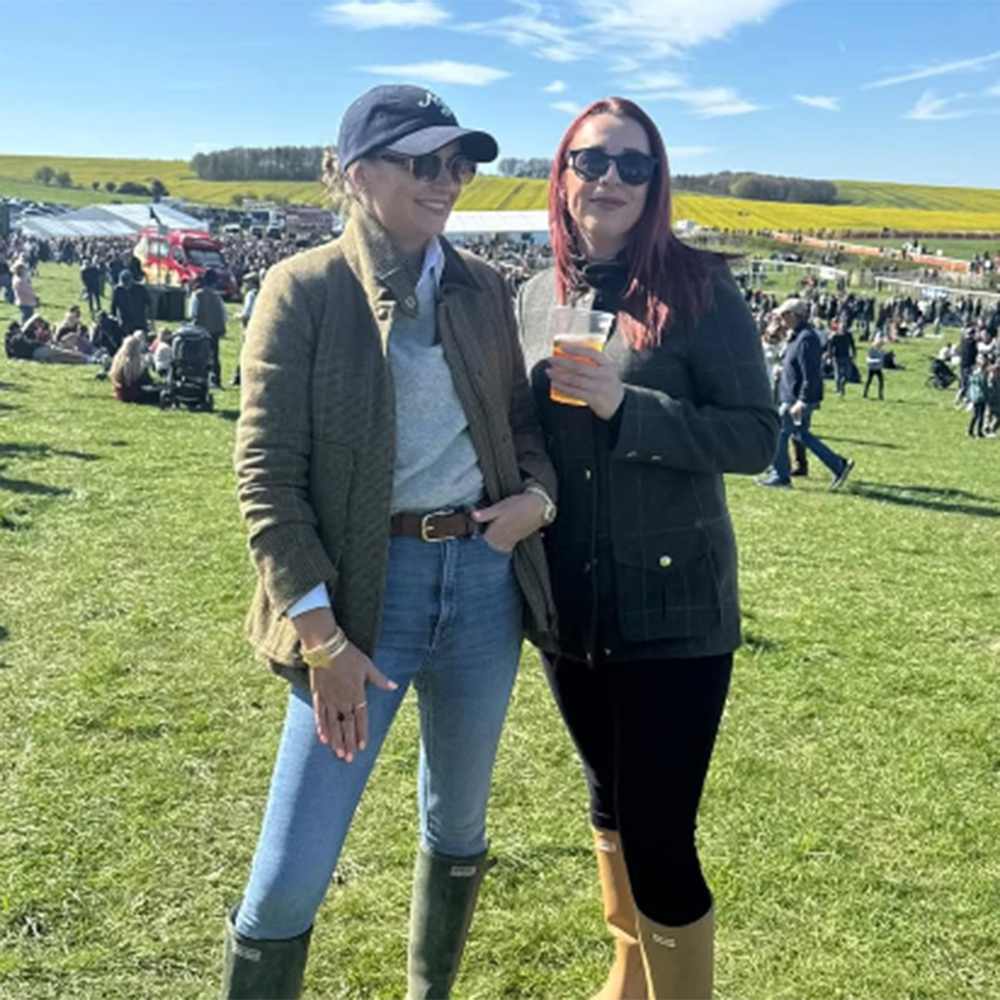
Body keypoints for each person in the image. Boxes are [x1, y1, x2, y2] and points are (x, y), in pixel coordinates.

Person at [224, 84, 557, 1000]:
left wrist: (537, 497)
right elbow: (267, 481)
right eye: (424, 161)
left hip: (484, 589)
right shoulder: (304, 289)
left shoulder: (485, 288)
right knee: (291, 870)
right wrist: (322, 639)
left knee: (458, 824)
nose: (448, 179)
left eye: (460, 163)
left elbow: (525, 426)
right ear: (357, 172)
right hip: (364, 601)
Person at [518, 97, 779, 1000]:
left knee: (662, 836)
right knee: (608, 805)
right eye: (593, 161)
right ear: (563, 174)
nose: (611, 180)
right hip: (569, 606)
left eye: (634, 165)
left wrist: (628, 408)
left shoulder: (701, 289)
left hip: (676, 607)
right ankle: (627, 980)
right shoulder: (534, 294)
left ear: (656, 182)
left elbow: (755, 438)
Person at [757, 298, 855, 490]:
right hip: (791, 395)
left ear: (793, 316)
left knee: (779, 432)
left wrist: (801, 400)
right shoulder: (797, 336)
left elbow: (811, 373)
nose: (780, 319)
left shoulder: (806, 338)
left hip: (796, 398)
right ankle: (837, 465)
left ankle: (780, 477)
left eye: (783, 315)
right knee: (799, 434)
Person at [189, 268, 228, 387]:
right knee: (215, 355)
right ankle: (216, 379)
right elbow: (224, 315)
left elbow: (192, 313)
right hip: (215, 330)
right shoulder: (217, 296)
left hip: (200, 330)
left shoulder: (197, 295)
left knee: (200, 355)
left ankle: (201, 376)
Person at [109, 331, 161, 404]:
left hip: (121, 393)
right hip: (136, 395)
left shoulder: (117, 361)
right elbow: (146, 381)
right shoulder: (137, 364)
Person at [110, 269, 151, 339]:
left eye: (127, 283)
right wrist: (115, 318)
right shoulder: (117, 290)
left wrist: (149, 318)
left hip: (139, 320)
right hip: (125, 321)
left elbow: (148, 302)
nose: (126, 286)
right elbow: (114, 306)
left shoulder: (140, 289)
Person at [827, 320, 856, 397]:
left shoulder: (848, 335)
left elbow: (852, 345)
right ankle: (838, 389)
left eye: (844, 328)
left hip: (846, 356)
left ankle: (842, 384)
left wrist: (854, 354)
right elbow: (830, 347)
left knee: (847, 374)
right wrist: (829, 357)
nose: (843, 329)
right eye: (842, 328)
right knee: (837, 374)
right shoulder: (835, 336)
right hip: (836, 357)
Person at [966, 355, 988, 438]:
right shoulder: (977, 373)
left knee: (981, 415)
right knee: (976, 415)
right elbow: (980, 384)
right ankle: (971, 430)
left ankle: (978, 431)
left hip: (982, 396)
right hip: (977, 396)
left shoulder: (982, 372)